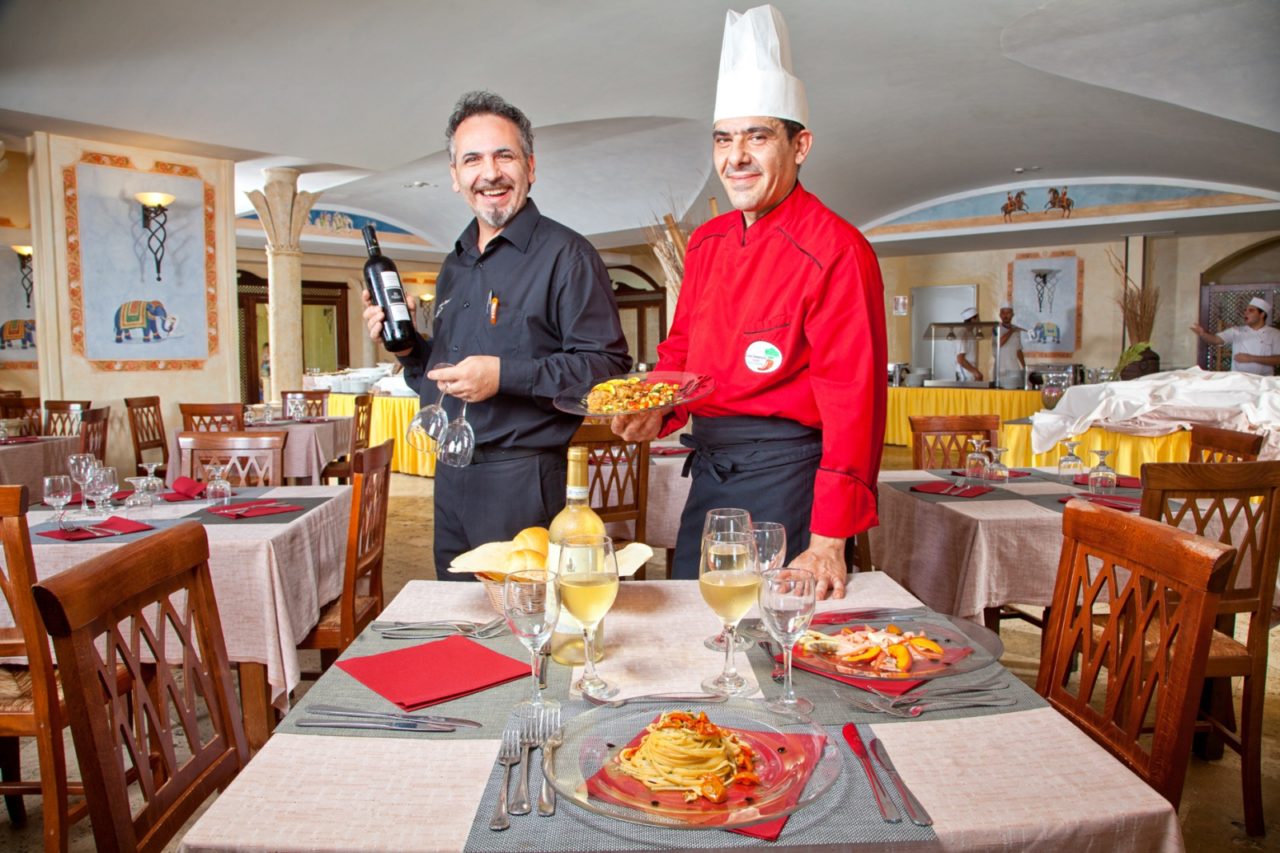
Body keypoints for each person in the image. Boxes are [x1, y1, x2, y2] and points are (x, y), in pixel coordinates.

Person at [613, 5, 886, 600]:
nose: (736, 156)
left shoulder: (838, 250)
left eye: (757, 137)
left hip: (787, 482)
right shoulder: (708, 243)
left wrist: (828, 540)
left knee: (770, 643)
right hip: (711, 471)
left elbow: (854, 403)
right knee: (694, 617)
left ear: (800, 144)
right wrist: (659, 408)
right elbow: (683, 351)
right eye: (723, 139)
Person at [362, 91, 631, 577]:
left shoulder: (567, 256)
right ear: (455, 177)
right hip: (452, 473)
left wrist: (504, 376)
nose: (490, 173)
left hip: (523, 478)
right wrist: (406, 348)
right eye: (473, 159)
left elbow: (606, 369)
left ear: (529, 165)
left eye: (503, 155)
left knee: (522, 630)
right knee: (462, 617)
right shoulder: (455, 262)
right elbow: (441, 371)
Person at [1190, 297, 1280, 376]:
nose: (1246, 313)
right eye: (1245, 310)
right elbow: (1216, 340)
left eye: (1251, 310)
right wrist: (1203, 334)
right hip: (1238, 379)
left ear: (1262, 314)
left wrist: (1251, 358)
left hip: (1264, 380)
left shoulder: (1275, 334)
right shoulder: (1236, 331)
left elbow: (1278, 359)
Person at [995, 303, 1026, 388]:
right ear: (1000, 315)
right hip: (1001, 370)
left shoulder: (1016, 330)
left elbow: (1018, 350)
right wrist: (1011, 331)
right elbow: (999, 343)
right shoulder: (996, 328)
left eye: (1008, 313)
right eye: (1003, 313)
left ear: (1012, 315)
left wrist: (1024, 367)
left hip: (1014, 368)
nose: (1005, 315)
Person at [953, 307, 982, 382]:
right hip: (964, 374)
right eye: (978, 318)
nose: (980, 320)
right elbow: (960, 359)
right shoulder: (962, 334)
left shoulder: (970, 333)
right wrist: (976, 372)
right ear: (973, 319)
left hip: (970, 373)